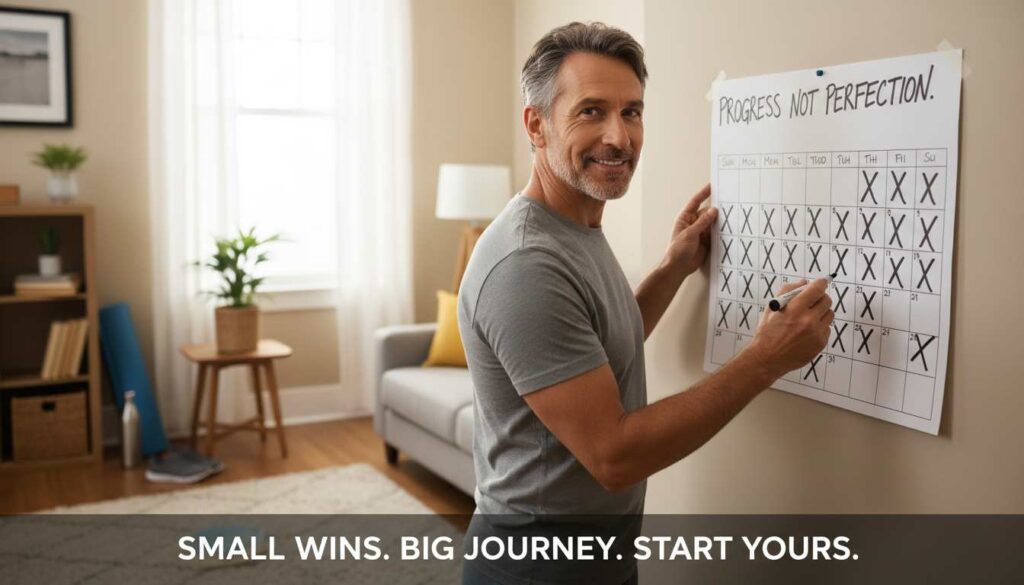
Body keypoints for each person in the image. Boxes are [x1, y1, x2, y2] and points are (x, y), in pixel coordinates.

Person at [457, 22, 833, 584]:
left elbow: (600, 343)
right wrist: (765, 358)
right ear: (536, 125)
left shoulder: (574, 224)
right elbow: (615, 456)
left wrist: (673, 268)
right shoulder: (527, 264)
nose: (619, 136)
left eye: (631, 111)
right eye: (591, 111)